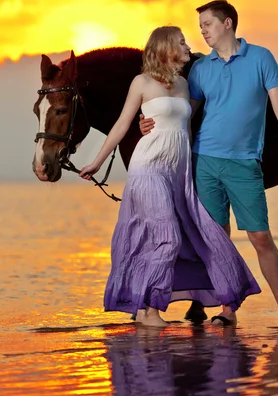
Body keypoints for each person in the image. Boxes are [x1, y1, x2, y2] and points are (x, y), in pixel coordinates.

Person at [140, 1, 278, 327]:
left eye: (207, 24)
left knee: (260, 237)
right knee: (217, 239)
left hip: (244, 163)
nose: (202, 31)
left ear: (227, 23)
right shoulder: (202, 69)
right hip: (204, 161)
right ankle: (227, 310)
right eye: (200, 26)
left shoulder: (261, 58)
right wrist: (147, 123)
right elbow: (181, 114)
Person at [79, 25, 260, 327]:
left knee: (196, 234)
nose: (188, 46)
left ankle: (145, 309)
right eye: (181, 42)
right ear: (165, 48)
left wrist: (191, 172)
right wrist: (97, 162)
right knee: (167, 237)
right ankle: (150, 309)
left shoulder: (183, 85)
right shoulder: (142, 82)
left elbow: (186, 129)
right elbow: (122, 125)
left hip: (178, 172)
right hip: (148, 167)